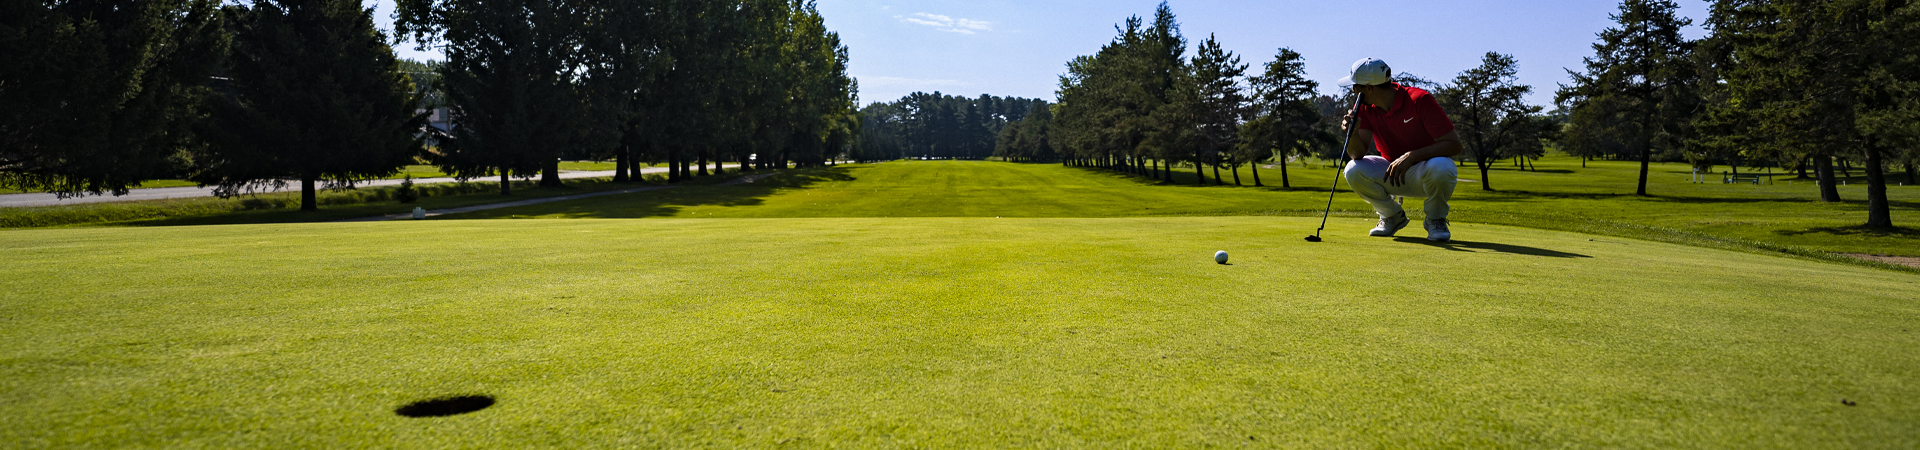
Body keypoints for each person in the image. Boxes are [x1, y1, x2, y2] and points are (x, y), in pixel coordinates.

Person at [1338, 58, 1463, 241]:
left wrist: (1412, 156)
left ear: (1369, 88)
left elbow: (1454, 145)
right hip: (1391, 173)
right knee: (1353, 169)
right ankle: (1391, 216)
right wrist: (1353, 131)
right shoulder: (1364, 108)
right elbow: (1356, 154)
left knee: (1443, 166)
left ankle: (1435, 219)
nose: (1353, 90)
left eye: (1356, 86)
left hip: (1425, 173)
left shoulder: (1419, 100)